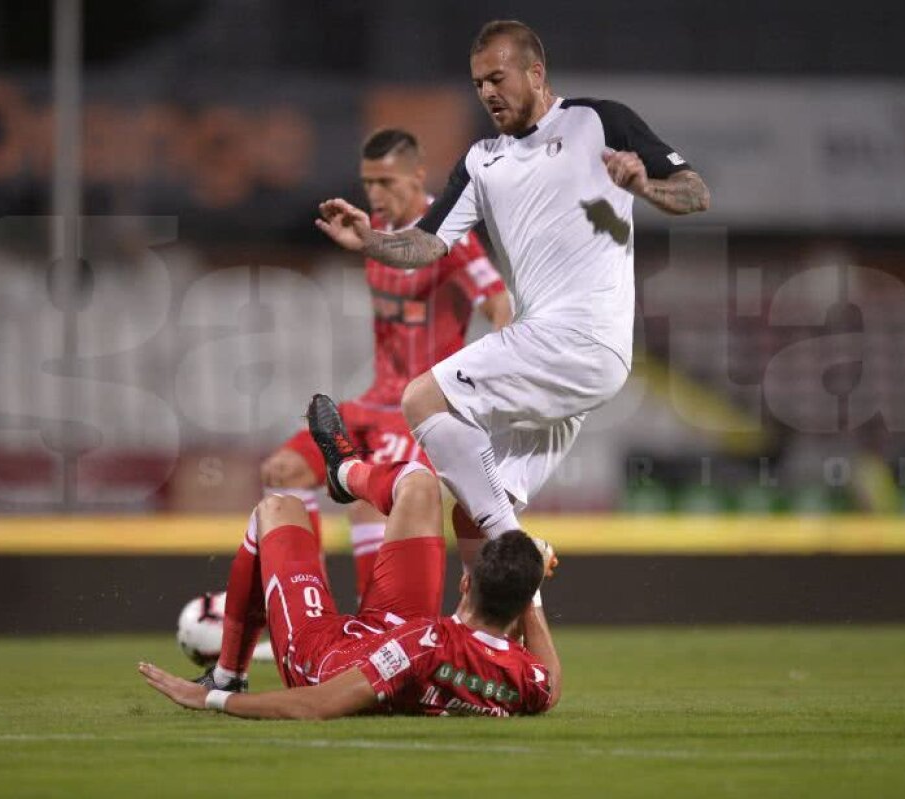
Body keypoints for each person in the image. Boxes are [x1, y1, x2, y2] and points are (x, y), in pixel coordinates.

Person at [315, 21, 710, 569]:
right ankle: (505, 645)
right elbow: (427, 245)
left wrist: (645, 187)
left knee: (421, 400)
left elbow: (695, 193)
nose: (487, 93)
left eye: (497, 78)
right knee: (473, 515)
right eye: (478, 84)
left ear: (535, 72)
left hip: (580, 337)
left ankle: (518, 548)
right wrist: (369, 240)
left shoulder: (600, 121)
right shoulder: (482, 161)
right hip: (557, 353)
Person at [138, 394, 560, 718]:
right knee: (419, 484)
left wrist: (212, 698)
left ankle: (229, 673)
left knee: (277, 508)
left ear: (465, 583)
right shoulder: (526, 679)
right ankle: (345, 472)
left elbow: (315, 705)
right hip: (392, 628)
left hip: (324, 656)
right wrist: (529, 580)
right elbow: (551, 682)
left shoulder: (425, 645)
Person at [263, 128, 511, 599]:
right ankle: (303, 608)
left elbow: (500, 304)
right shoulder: (374, 231)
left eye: (387, 182)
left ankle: (374, 631)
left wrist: (493, 379)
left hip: (418, 409)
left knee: (368, 506)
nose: (377, 194)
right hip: (375, 400)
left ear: (418, 174)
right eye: (369, 182)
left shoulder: (447, 235)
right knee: (283, 471)